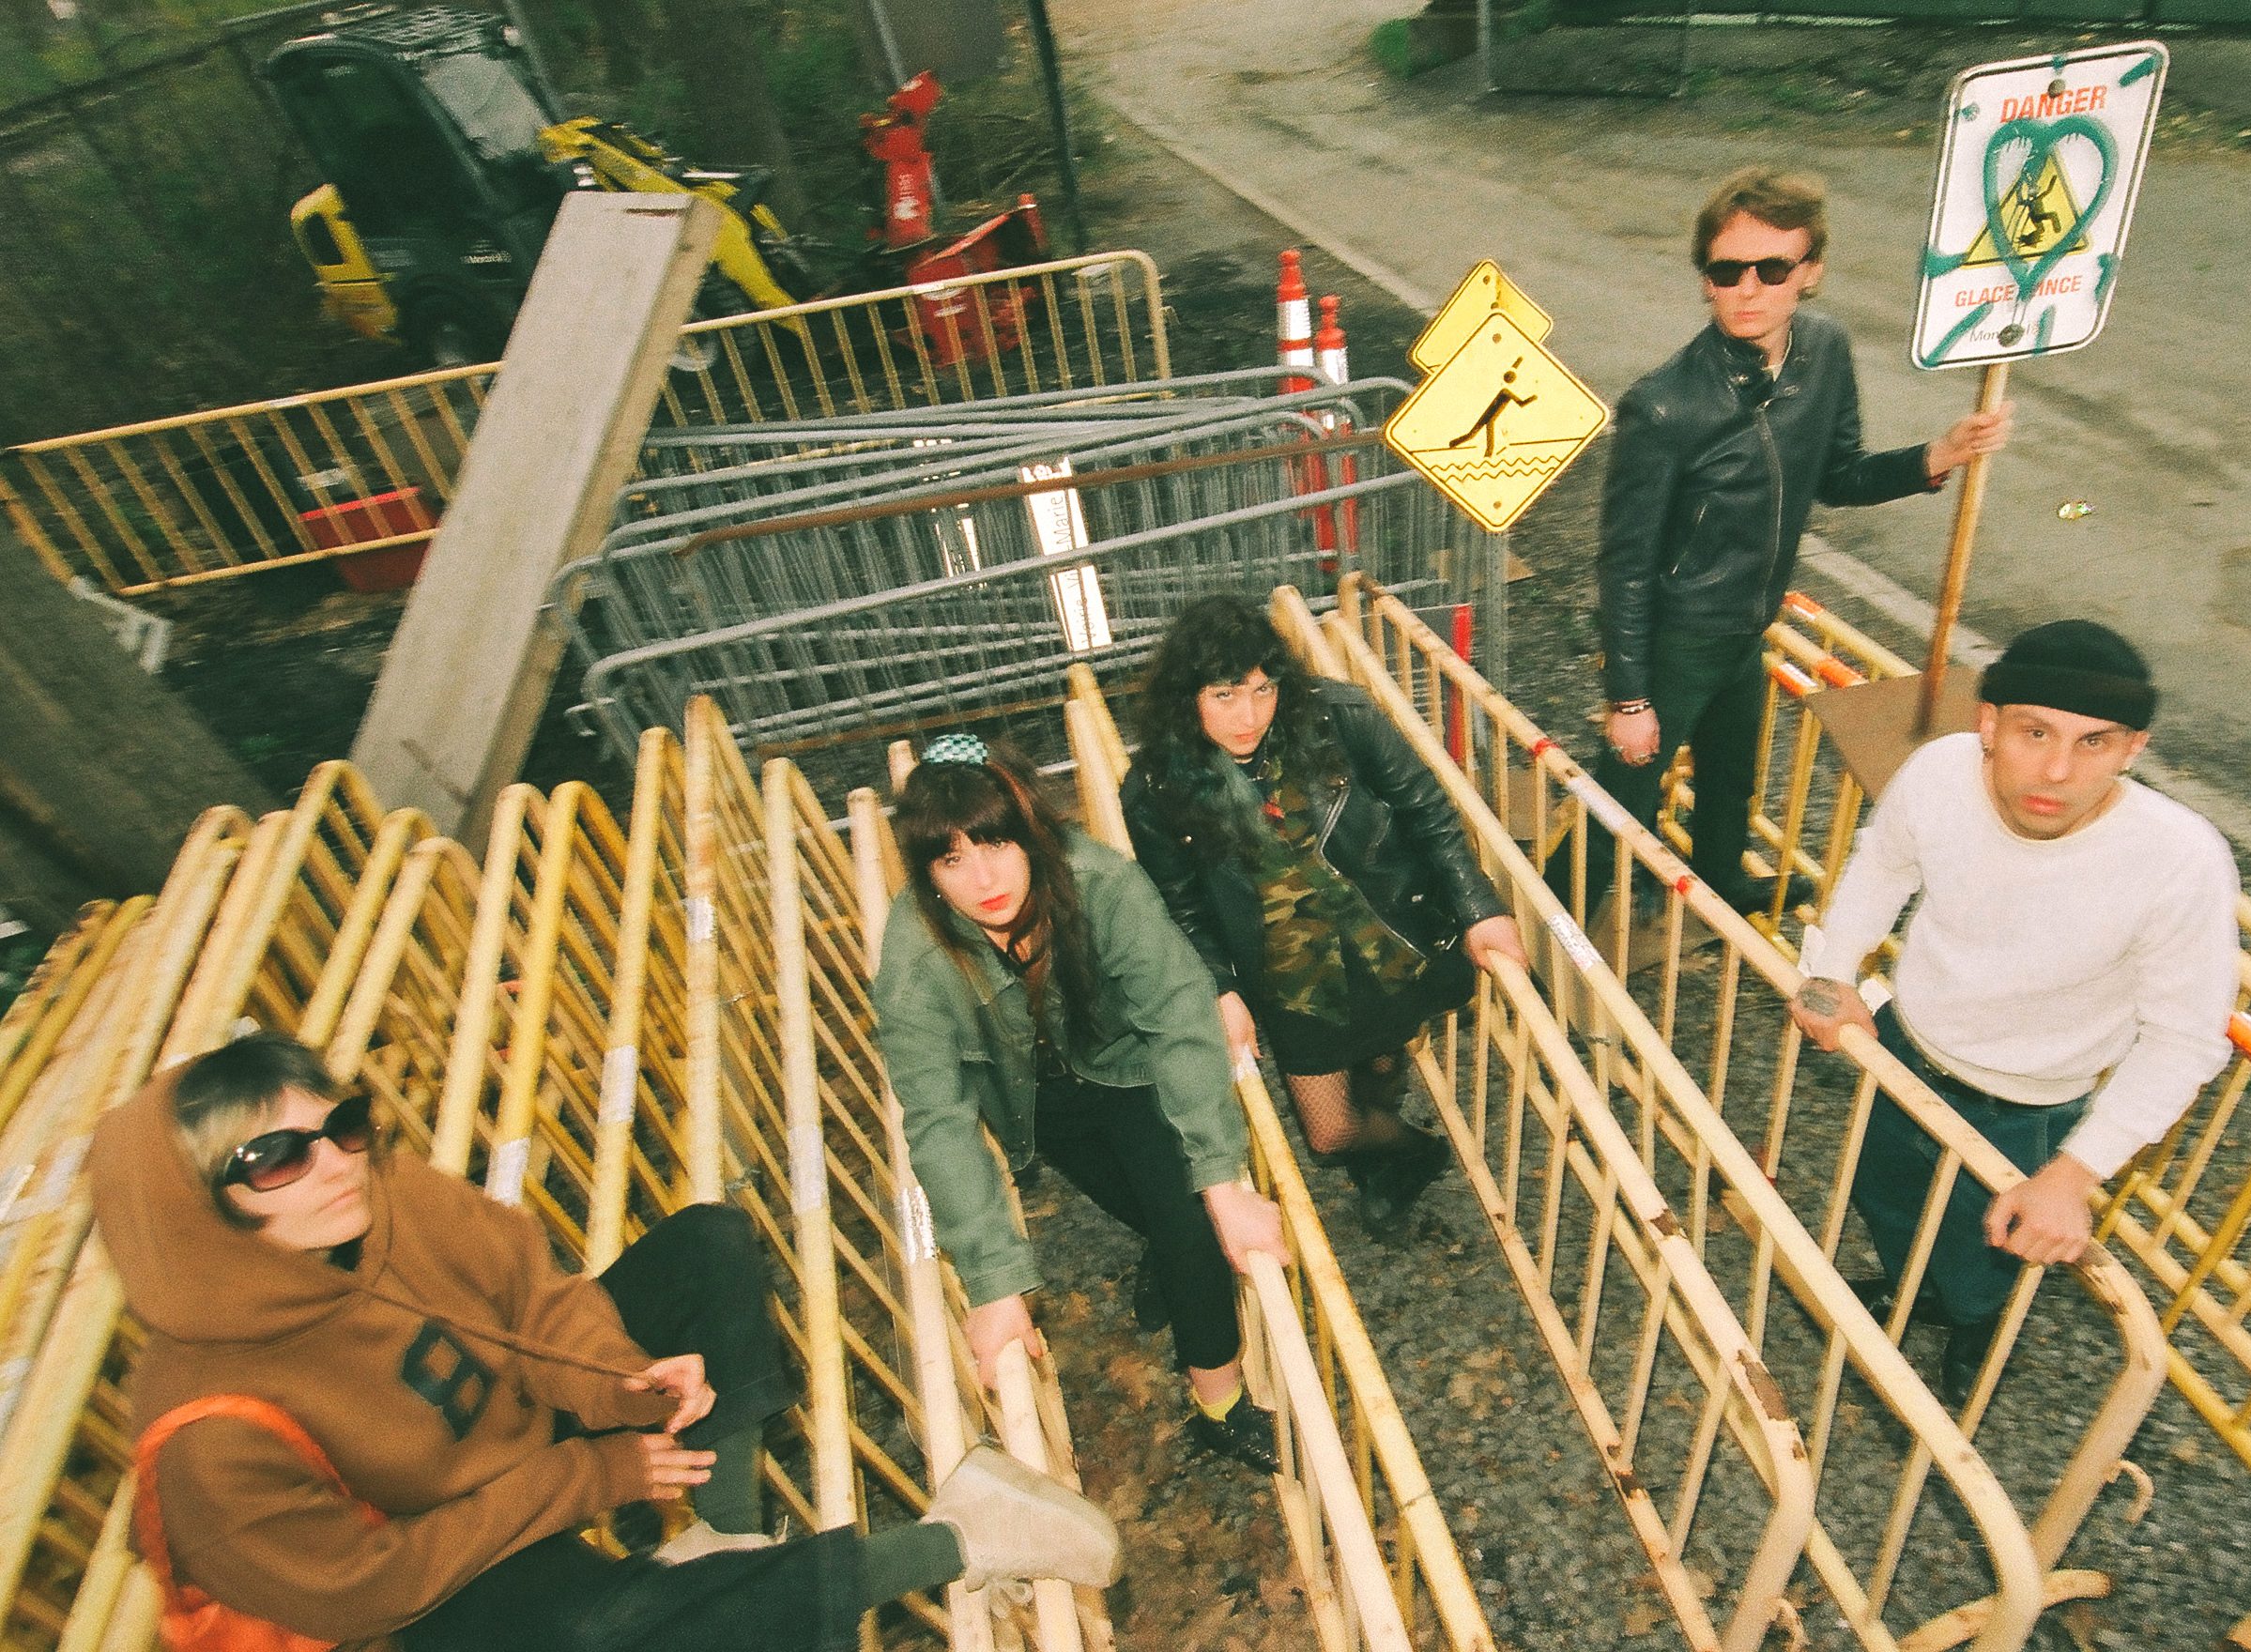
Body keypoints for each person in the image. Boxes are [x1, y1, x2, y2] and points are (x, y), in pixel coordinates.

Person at [91, 1032, 1121, 1652]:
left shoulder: (378, 1192)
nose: (332, 1164)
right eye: (276, 1157)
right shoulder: (207, 1442)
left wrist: (622, 1382)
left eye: (341, 1126)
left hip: (525, 1440)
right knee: (603, 1634)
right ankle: (961, 1539)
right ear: (195, 1212)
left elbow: (530, 1298)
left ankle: (721, 1535)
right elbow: (375, 1586)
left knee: (708, 1243)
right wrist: (590, 1474)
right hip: (439, 1563)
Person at [1787, 620, 2239, 1404]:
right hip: (1900, 1050)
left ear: (2132, 749)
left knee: (1988, 1251)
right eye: (2034, 733)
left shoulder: (2178, 860)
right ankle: (1916, 1291)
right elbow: (1884, 863)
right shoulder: (1939, 771)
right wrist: (1830, 972)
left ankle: (1976, 1328)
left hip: (2027, 1105)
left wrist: (2071, 1175)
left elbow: (2184, 1039)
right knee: (1886, 1198)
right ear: (1987, 723)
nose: (2057, 771)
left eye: (2093, 743)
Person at [1591, 165, 2016, 935]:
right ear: (1705, 281)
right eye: (1727, 271)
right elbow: (1622, 563)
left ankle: (1721, 887)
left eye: (1772, 268)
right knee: (1620, 798)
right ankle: (1543, 930)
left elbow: (1839, 475)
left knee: (1730, 781)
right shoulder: (1662, 406)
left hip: (1749, 622)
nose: (1748, 290)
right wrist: (1629, 700)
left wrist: (1937, 455)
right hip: (1679, 635)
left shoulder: (1822, 350)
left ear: (1808, 271)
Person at [872, 733, 1292, 1474]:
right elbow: (937, 1118)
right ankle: (1165, 1253)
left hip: (1128, 1065)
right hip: (1030, 1097)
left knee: (1192, 1218)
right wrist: (993, 1284)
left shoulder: (1102, 883)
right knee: (1145, 1208)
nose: (982, 877)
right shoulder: (915, 957)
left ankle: (1220, 1407)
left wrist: (1222, 1179)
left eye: (996, 843)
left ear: (1031, 831)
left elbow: (1179, 1015)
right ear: (927, 874)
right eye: (951, 859)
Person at [1120, 595, 1526, 1236]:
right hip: (1290, 974)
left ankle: (1381, 1157)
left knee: (1383, 1062)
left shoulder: (1340, 717)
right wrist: (1220, 987)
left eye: (1263, 689)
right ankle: (1410, 1148)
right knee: (1329, 1131)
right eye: (1224, 696)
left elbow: (1427, 812)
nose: (1248, 716)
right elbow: (1180, 904)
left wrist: (1479, 908)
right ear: (1185, 697)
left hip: (1388, 934)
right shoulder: (1156, 788)